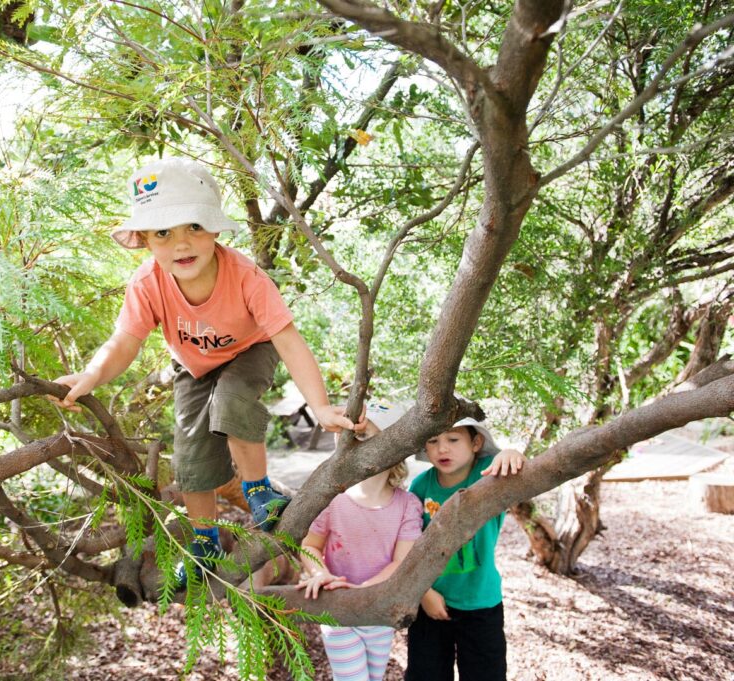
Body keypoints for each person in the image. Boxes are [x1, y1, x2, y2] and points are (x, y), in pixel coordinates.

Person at [49, 156, 360, 587]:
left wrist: (320, 405)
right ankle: (205, 544)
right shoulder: (147, 284)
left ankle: (259, 492)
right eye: (163, 232)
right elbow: (125, 341)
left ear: (214, 228)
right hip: (193, 368)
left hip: (251, 350)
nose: (181, 244)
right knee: (191, 456)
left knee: (231, 402)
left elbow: (289, 340)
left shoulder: (247, 278)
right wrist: (91, 376)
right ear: (145, 240)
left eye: (193, 226)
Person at [296, 404, 422, 681]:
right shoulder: (332, 499)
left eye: (367, 437)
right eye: (353, 437)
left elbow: (402, 561)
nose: (358, 445)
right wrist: (321, 574)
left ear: (396, 448)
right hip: (337, 607)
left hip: (378, 609)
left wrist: (362, 591)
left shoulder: (407, 505)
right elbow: (310, 544)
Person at [405, 416, 525, 681]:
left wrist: (511, 453)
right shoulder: (421, 486)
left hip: (481, 601)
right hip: (430, 601)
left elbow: (520, 469)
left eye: (453, 439)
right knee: (426, 674)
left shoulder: (491, 476)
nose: (442, 448)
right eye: (433, 440)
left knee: (485, 673)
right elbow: (408, 546)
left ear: (476, 442)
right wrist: (424, 593)